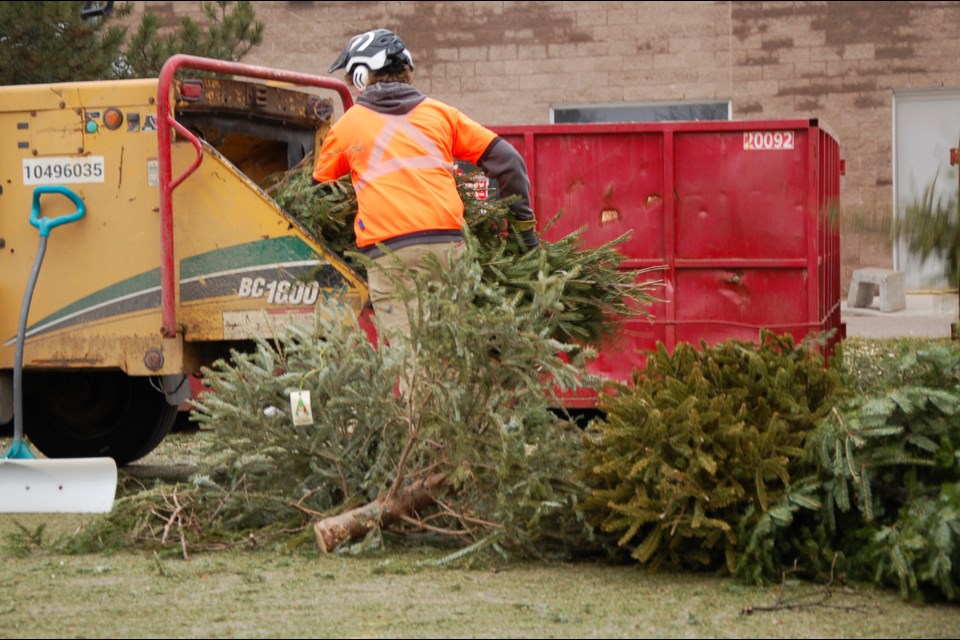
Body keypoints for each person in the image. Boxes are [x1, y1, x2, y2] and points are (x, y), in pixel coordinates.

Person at [312, 28, 539, 348]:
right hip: (450, 250)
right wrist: (524, 233)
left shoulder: (348, 127)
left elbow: (317, 197)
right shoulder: (442, 115)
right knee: (454, 356)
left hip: (390, 256)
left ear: (362, 76)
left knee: (411, 362)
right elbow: (509, 162)